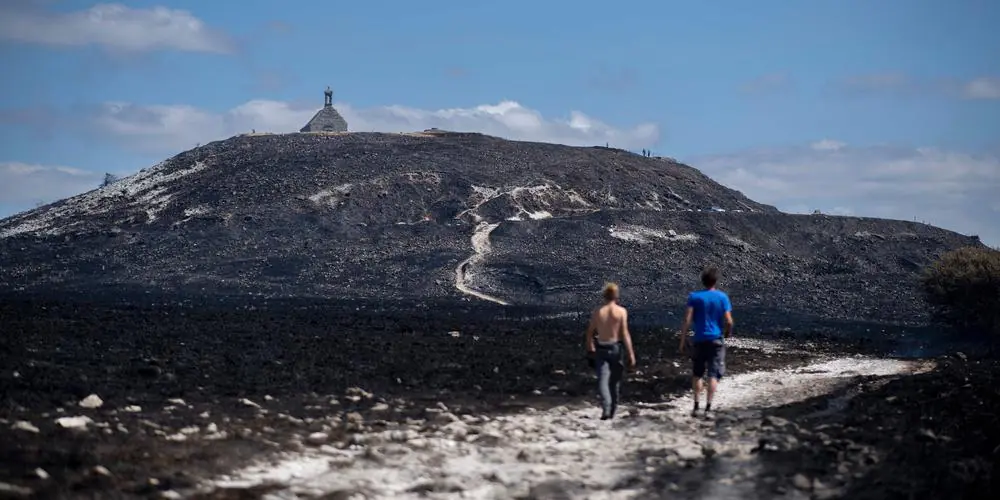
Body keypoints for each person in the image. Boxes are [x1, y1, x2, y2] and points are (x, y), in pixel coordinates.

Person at [678, 267, 733, 417]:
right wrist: (727, 334)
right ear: (715, 281)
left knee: (698, 374)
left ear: (703, 281)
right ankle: (708, 408)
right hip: (715, 339)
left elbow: (687, 320)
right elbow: (729, 321)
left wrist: (683, 340)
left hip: (699, 339)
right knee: (713, 374)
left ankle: (696, 406)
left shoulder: (694, 297)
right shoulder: (722, 297)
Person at [585, 282, 637, 420]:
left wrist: (590, 346)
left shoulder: (598, 312)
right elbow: (625, 333)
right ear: (616, 296)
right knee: (615, 383)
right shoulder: (621, 312)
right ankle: (612, 412)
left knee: (603, 381)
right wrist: (631, 353)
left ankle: (606, 409)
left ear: (604, 295)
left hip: (601, 348)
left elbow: (590, 332)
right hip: (615, 348)